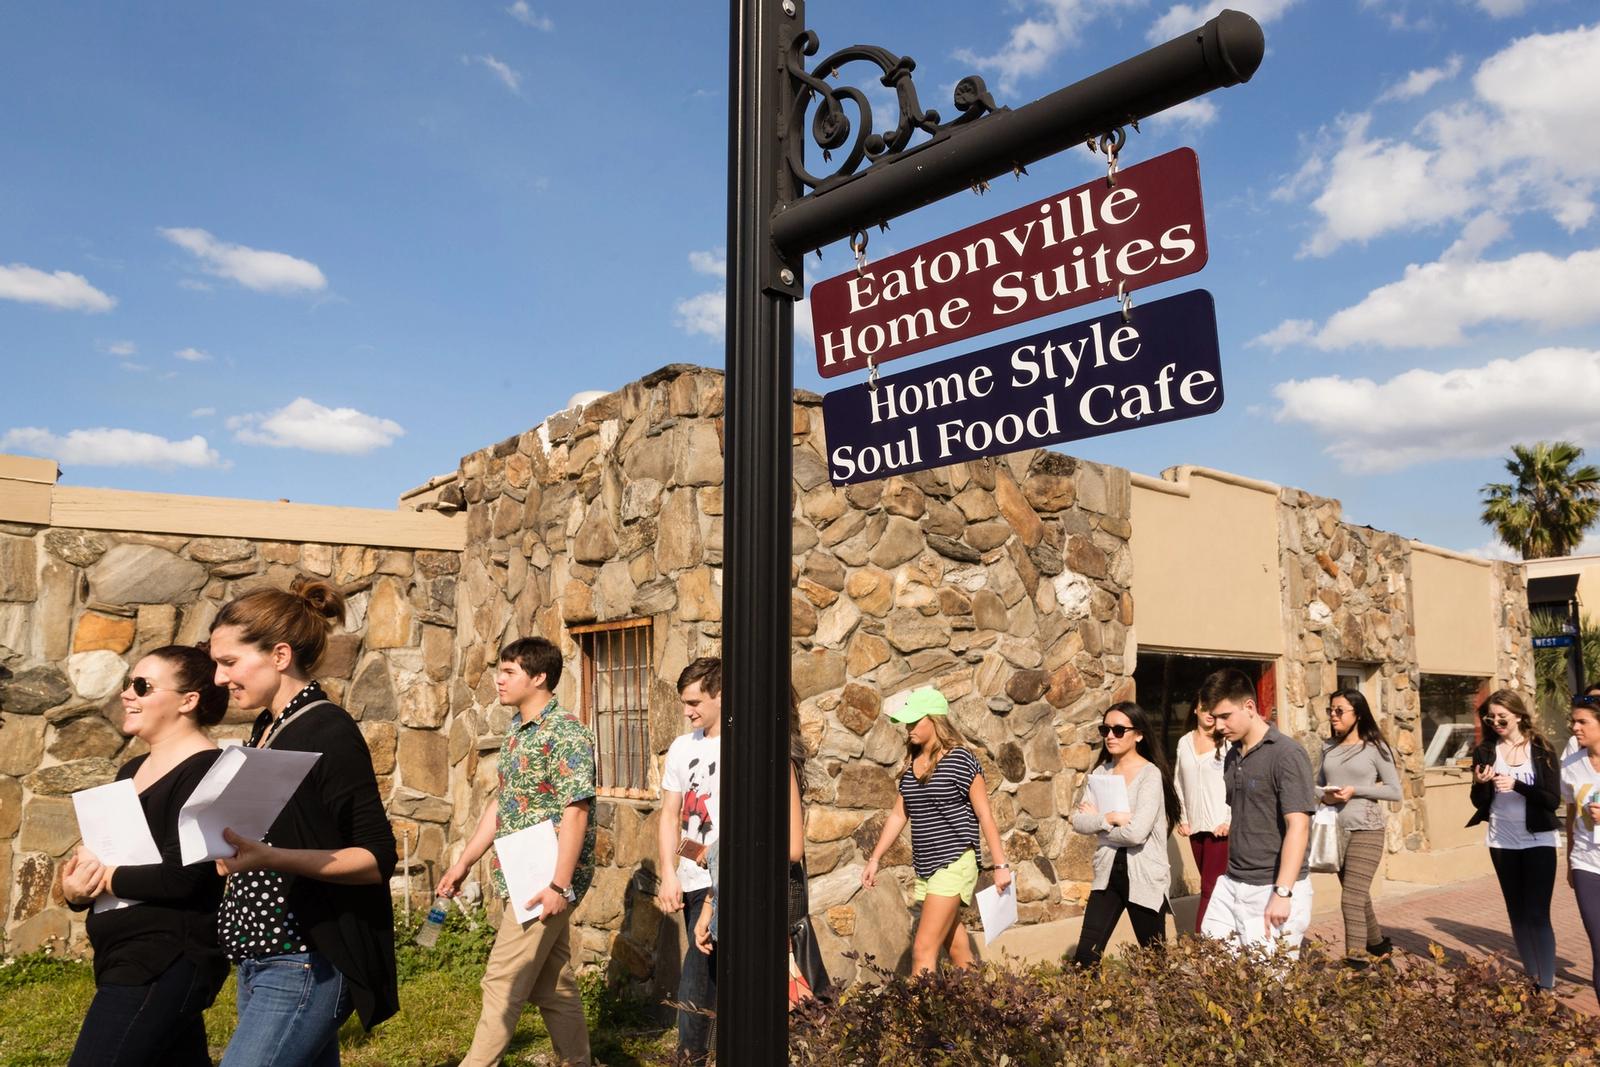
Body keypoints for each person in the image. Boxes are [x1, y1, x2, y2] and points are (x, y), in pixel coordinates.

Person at [208, 578, 399, 1065]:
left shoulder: (326, 729)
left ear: (279, 655)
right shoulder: (267, 727)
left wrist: (270, 857)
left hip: (305, 958)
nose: (217, 678)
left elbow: (376, 858)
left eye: (228, 662)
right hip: (259, 955)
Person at [61, 645, 231, 1067]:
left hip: (165, 957)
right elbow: (111, 860)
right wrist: (77, 889)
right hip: (123, 954)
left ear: (188, 701)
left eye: (143, 685)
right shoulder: (130, 771)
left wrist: (106, 877)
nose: (127, 694)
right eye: (128, 684)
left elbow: (186, 877)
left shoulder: (209, 770)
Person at [439, 637, 596, 1067]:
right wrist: (463, 863)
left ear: (539, 676)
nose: (498, 679)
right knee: (555, 985)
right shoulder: (517, 730)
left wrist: (557, 886)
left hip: (545, 879)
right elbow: (502, 804)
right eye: (500, 670)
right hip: (522, 871)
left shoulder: (565, 732)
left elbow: (576, 812)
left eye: (509, 672)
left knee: (501, 982)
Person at [861, 687, 1012, 974]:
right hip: (926, 866)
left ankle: (918, 1018)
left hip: (955, 860)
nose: (908, 729)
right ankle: (980, 1007)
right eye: (907, 723)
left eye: (915, 722)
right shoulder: (910, 765)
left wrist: (1001, 865)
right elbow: (897, 815)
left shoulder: (960, 760)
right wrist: (875, 858)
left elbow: (985, 815)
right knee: (955, 947)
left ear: (935, 720)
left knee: (922, 951)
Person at [1197, 668, 1316, 955]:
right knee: (1214, 972)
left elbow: (1298, 827)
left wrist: (1283, 892)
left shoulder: (1287, 755)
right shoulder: (1232, 755)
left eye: (1226, 716)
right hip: (1232, 881)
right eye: (1215, 718)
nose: (1220, 726)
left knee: (1269, 989)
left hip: (1273, 886)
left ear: (1250, 707)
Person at [1069, 701, 1179, 966]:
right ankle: (1086, 1007)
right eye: (1105, 729)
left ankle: (1171, 1008)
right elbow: (1078, 822)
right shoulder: (1100, 773)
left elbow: (1136, 834)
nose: (1110, 736)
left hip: (1143, 877)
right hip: (1107, 875)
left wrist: (1099, 825)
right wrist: (1110, 819)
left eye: (1119, 730)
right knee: (1085, 957)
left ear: (1138, 734)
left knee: (1155, 962)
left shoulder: (1149, 775)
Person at [655, 658, 723, 1065]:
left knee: (700, 977)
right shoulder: (683, 747)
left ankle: (694, 1056)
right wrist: (667, 873)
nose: (687, 710)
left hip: (730, 879)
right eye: (683, 702)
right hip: (693, 879)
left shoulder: (743, 743)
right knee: (699, 976)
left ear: (720, 694)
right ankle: (693, 1056)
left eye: (695, 701)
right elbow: (669, 814)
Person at [1468, 688, 1560, 990]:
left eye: (1501, 717)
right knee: (1516, 910)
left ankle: (1546, 984)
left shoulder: (1541, 748)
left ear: (1518, 715)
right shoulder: (1485, 750)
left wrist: (1518, 785)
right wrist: (1481, 784)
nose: (1495, 722)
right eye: (1490, 717)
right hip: (1501, 839)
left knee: (1537, 912)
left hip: (1538, 839)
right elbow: (1477, 800)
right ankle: (1532, 977)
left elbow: (1551, 800)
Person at [1317, 688, 1401, 966]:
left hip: (1367, 828)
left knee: (1351, 898)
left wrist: (1356, 790)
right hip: (1335, 832)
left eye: (1340, 710)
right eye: (1331, 710)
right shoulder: (1327, 747)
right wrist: (1324, 795)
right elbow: (1314, 785)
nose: (1333, 715)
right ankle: (1379, 948)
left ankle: (1356, 966)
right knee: (1360, 897)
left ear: (1358, 714)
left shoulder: (1375, 748)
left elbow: (1394, 791)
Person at [1173, 701, 1230, 932]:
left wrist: (1229, 820)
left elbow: (1235, 783)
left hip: (1221, 828)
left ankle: (1203, 944)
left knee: (1209, 887)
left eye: (1214, 708)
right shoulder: (1184, 742)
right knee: (1212, 887)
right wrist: (1183, 818)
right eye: (1205, 707)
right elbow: (1178, 782)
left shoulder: (1226, 742)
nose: (1210, 713)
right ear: (1195, 710)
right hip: (1195, 827)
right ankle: (1224, 939)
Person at [1561, 692, 1600, 1005]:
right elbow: (1571, 812)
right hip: (1587, 863)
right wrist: (1569, 860)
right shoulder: (1572, 765)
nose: (1575, 727)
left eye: (1582, 721)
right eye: (1573, 721)